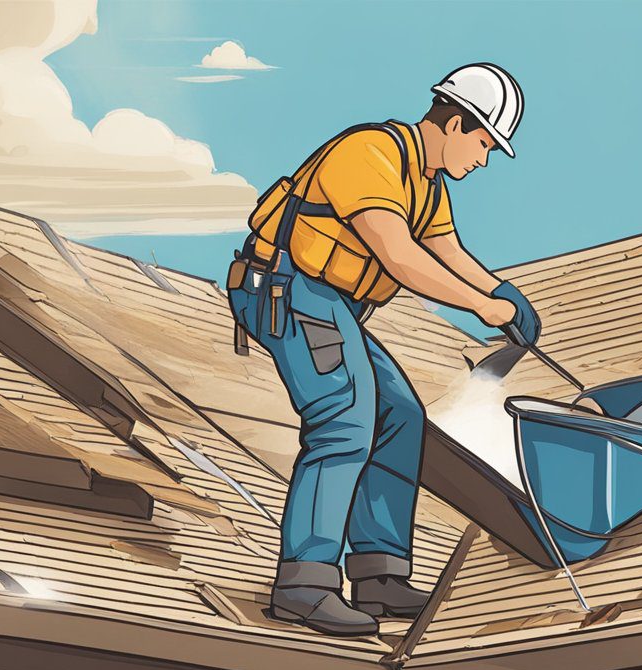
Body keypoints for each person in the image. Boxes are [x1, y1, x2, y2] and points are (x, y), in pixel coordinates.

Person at [225, 63, 542, 637]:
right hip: (286, 289)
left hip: (332, 304)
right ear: (456, 121)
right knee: (343, 419)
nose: (485, 157)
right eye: (484, 142)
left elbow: (445, 248)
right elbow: (399, 256)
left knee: (400, 417)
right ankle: (304, 583)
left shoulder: (428, 182)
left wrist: (502, 292)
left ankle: (380, 576)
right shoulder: (370, 154)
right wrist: (481, 307)